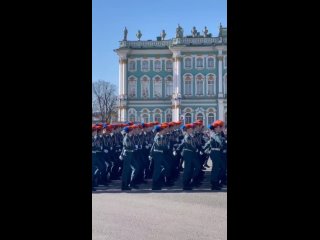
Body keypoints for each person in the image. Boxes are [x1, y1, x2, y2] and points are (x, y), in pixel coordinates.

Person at [174, 124, 197, 190]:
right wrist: (195, 149)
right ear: (188, 129)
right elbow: (189, 145)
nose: (192, 129)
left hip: (190, 154)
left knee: (190, 169)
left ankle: (188, 182)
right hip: (188, 154)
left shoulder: (190, 136)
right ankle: (185, 184)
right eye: (191, 128)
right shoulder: (187, 136)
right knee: (187, 170)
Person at [203, 120, 225, 190]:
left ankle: (216, 182)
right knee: (216, 168)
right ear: (217, 128)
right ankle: (214, 183)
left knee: (219, 168)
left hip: (218, 153)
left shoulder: (218, 135)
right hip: (215, 153)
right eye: (220, 127)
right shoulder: (214, 135)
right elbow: (220, 143)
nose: (222, 129)